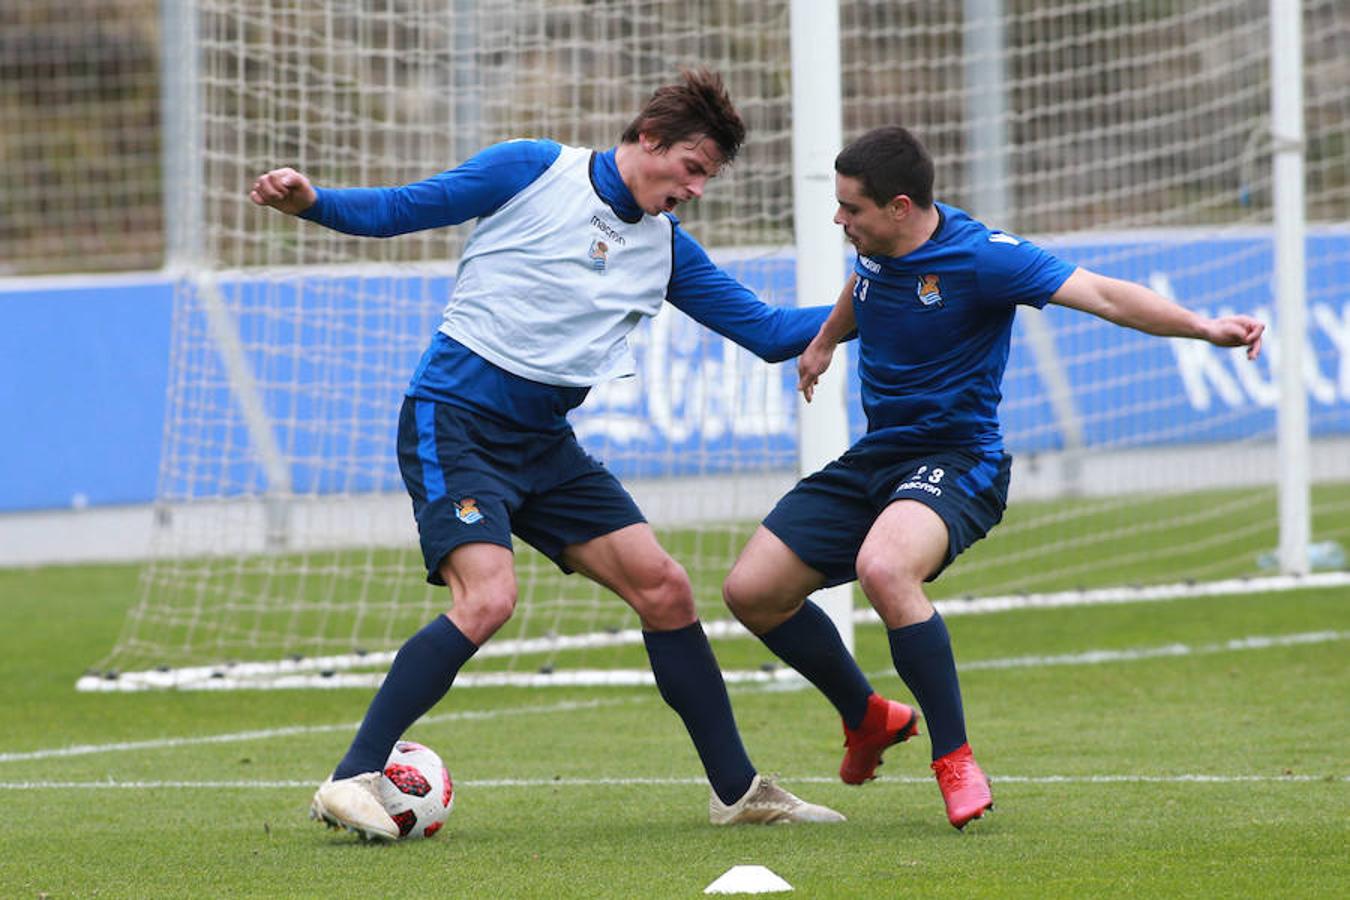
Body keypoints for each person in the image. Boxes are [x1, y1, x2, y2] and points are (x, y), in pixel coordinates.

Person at [249, 69, 845, 839]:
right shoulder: (532, 169)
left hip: (545, 448)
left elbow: (765, 332)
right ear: (651, 140)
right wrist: (314, 203)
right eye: (693, 168)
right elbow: (403, 208)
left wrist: (873, 300)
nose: (696, 189)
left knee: (665, 589)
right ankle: (350, 775)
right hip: (454, 420)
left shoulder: (664, 248)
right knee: (489, 599)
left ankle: (739, 792)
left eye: (708, 177)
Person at [721, 125, 1266, 830]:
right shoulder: (877, 249)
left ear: (900, 205)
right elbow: (865, 286)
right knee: (751, 592)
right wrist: (823, 341)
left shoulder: (984, 259)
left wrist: (1204, 327)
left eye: (851, 209)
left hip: (959, 460)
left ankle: (954, 757)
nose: (838, 219)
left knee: (885, 569)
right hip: (879, 456)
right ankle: (867, 717)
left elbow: (1102, 294)